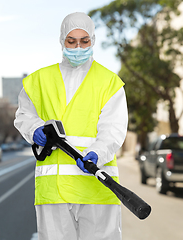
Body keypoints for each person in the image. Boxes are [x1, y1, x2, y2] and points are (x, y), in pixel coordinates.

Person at [14, 12, 128, 240]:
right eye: (71, 41)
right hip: (53, 191)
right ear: (61, 41)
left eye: (84, 41)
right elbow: (23, 115)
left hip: (97, 187)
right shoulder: (39, 80)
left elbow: (113, 129)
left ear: (92, 41)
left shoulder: (109, 82)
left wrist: (96, 153)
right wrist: (35, 129)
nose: (78, 47)